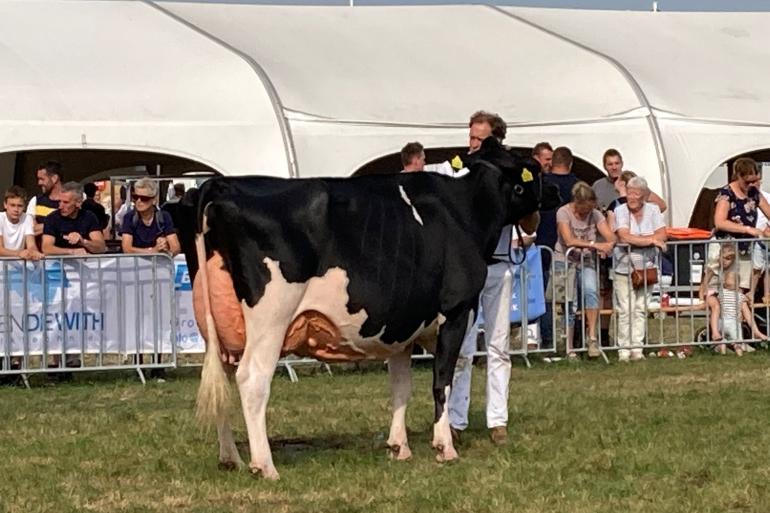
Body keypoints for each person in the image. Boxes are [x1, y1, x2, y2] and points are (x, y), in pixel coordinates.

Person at [447, 110, 519, 447]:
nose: (473, 144)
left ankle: (497, 419)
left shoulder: (509, 174)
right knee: (461, 346)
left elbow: (530, 223)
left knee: (498, 344)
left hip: (499, 263)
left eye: (480, 139)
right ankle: (455, 419)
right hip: (465, 267)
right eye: (471, 137)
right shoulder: (457, 170)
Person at [552, 182, 615, 358]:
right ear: (576, 203)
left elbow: (610, 236)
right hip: (565, 261)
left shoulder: (595, 215)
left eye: (590, 209)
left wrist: (608, 246)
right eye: (584, 209)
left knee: (591, 291)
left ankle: (592, 338)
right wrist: (595, 245)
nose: (587, 213)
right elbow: (569, 239)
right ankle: (569, 345)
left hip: (587, 260)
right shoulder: (563, 212)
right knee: (569, 302)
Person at [612, 176, 667, 362]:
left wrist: (646, 238)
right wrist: (650, 240)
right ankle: (623, 350)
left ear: (643, 195)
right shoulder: (620, 210)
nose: (631, 197)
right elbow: (625, 236)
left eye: (635, 193)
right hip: (624, 266)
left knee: (641, 308)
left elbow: (663, 234)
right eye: (629, 192)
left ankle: (637, 348)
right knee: (625, 309)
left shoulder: (653, 210)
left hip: (647, 267)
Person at [536, 146, 579, 350]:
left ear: (552, 162)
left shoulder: (542, 184)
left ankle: (548, 341)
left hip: (542, 247)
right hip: (569, 250)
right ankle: (574, 341)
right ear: (570, 163)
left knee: (546, 298)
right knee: (571, 298)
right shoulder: (578, 187)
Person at [712, 157, 770, 292]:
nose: (753, 184)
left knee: (740, 291)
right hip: (725, 249)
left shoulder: (755, 194)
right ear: (738, 176)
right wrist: (748, 229)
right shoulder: (726, 193)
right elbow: (719, 222)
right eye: (748, 181)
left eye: (756, 180)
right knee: (722, 290)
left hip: (745, 249)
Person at [592, 149, 667, 214]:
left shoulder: (633, 183)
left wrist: (639, 215)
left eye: (617, 163)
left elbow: (662, 206)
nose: (614, 167)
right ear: (604, 166)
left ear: (622, 164)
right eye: (610, 164)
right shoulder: (598, 186)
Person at [42, 182, 106, 256]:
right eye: (59, 201)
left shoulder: (89, 217)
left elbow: (101, 247)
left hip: (85, 264)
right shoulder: (52, 219)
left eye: (66, 202)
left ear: (78, 202)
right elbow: (46, 248)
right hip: (58, 264)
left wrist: (83, 242)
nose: (60, 206)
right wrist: (71, 252)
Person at [120, 178, 180, 256]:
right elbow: (127, 249)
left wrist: (166, 249)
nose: (139, 201)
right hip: (135, 265)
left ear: (154, 200)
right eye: (135, 197)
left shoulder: (163, 217)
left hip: (158, 264)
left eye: (144, 198)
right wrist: (153, 251)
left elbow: (176, 247)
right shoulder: (129, 217)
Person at [0, 186, 43, 260]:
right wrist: (19, 253)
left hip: (20, 267)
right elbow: (0, 249)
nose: (16, 209)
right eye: (12, 205)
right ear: (5, 205)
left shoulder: (27, 218)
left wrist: (34, 252)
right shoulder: (0, 218)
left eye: (20, 206)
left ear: (24, 207)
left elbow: (31, 244)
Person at [26, 161, 64, 238]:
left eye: (42, 179)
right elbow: (30, 230)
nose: (39, 183)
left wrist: (41, 227)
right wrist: (59, 224)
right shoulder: (36, 200)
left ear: (54, 178)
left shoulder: (72, 200)